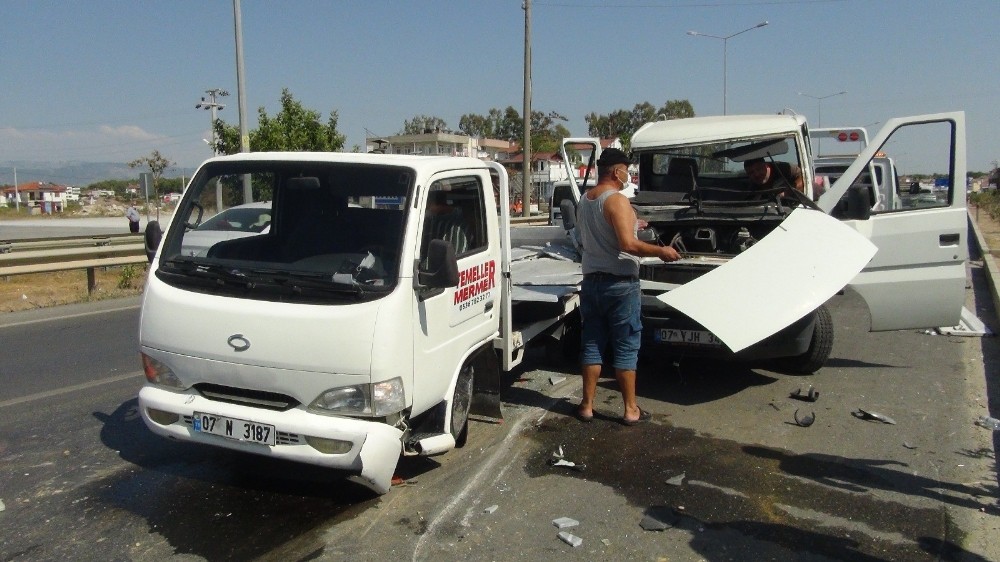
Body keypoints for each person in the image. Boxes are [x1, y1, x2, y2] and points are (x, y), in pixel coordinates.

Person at [575, 148, 681, 425]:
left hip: (591, 283)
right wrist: (661, 251)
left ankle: (586, 406)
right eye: (626, 170)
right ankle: (631, 409)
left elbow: (602, 232)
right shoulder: (617, 201)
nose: (628, 175)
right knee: (626, 345)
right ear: (615, 171)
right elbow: (628, 245)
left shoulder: (585, 200)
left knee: (592, 344)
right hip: (619, 285)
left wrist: (634, 223)